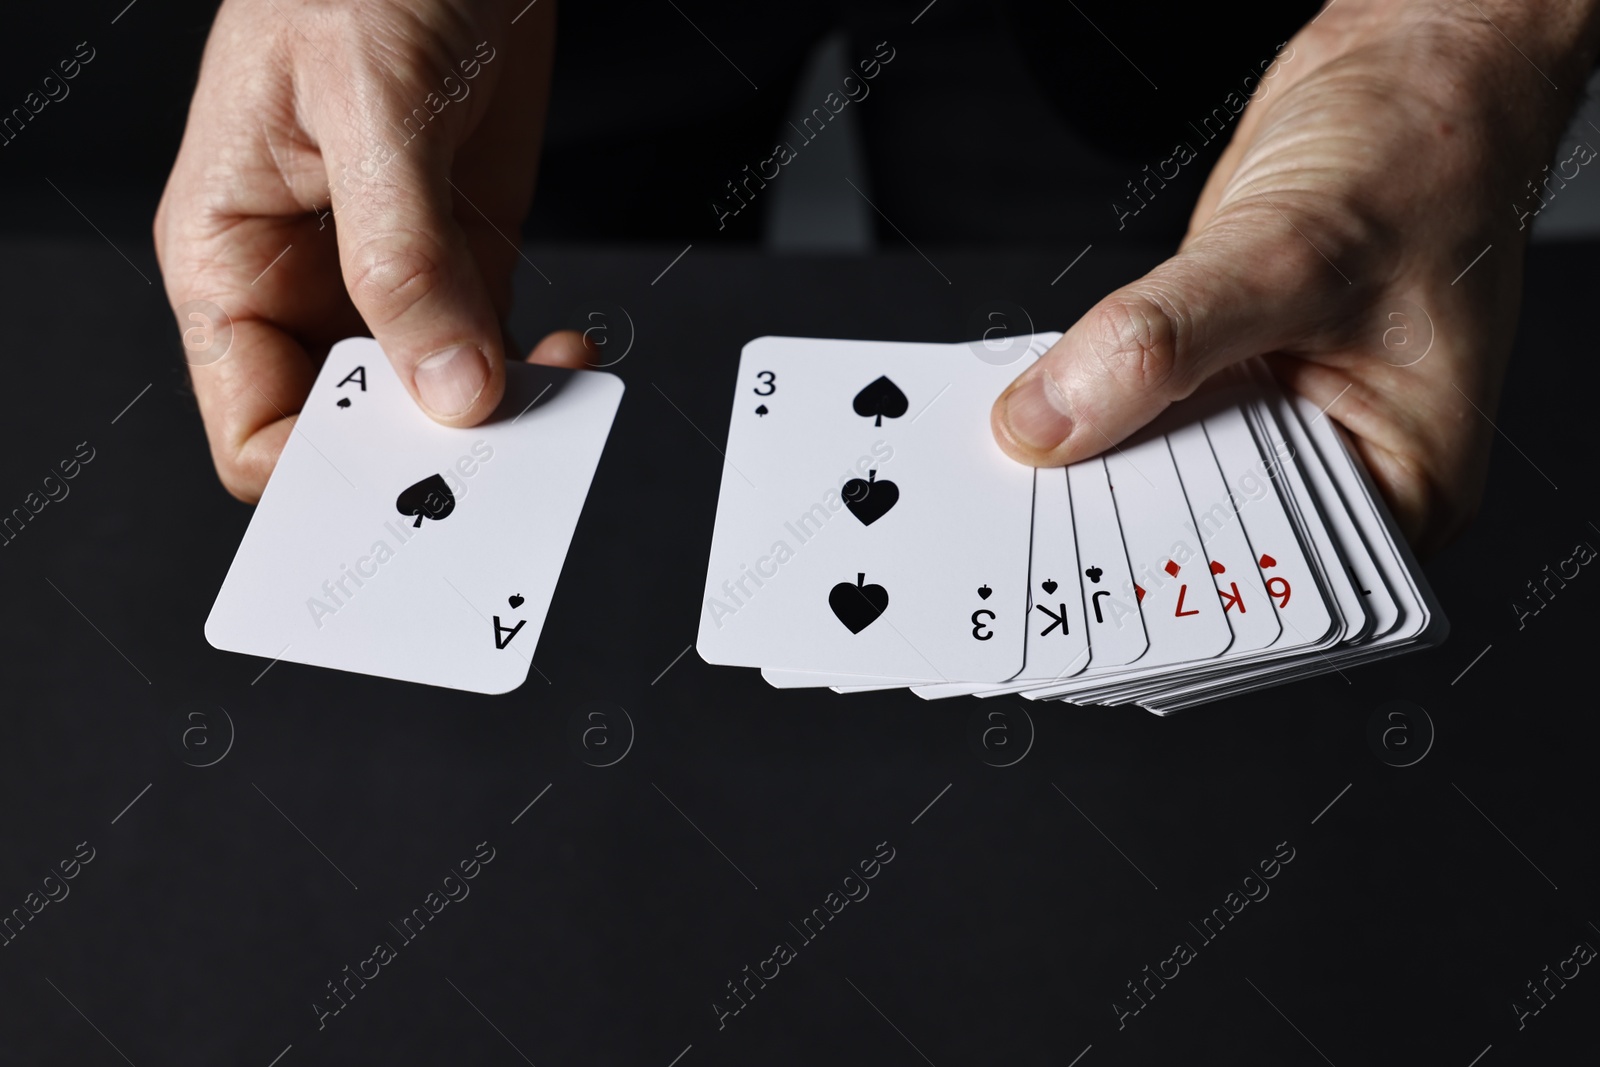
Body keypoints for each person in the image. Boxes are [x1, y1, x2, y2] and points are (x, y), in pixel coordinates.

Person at [154, 0, 1600, 554]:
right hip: (554, 27)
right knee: (499, 365)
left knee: (1128, 440)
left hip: (1143, 45)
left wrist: (1461, 34)